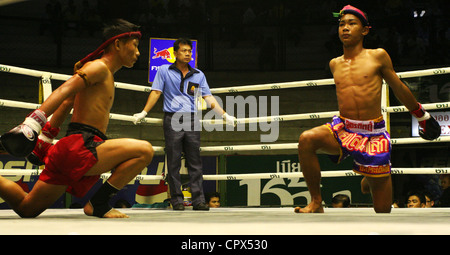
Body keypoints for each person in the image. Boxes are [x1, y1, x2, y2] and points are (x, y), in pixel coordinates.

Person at [0, 19, 153, 218]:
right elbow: (64, 90)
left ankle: (97, 203)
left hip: (73, 150)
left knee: (27, 207)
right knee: (144, 151)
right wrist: (32, 123)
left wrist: (46, 137)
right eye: (135, 46)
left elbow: (67, 103)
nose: (138, 52)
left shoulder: (101, 72)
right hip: (81, 147)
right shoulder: (99, 68)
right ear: (118, 44)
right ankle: (98, 204)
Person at [294, 5, 440, 214]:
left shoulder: (378, 56)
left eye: (352, 24)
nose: (345, 28)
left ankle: (368, 178)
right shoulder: (334, 63)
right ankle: (316, 202)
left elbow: (398, 87)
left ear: (365, 30)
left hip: (373, 134)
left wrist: (422, 115)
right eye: (342, 24)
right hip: (344, 128)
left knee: (382, 211)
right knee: (306, 139)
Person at [133, 38, 236, 211]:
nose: (188, 53)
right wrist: (144, 112)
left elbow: (208, 97)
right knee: (173, 161)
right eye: (184, 50)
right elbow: (156, 92)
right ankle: (177, 200)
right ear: (175, 53)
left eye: (190, 51)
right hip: (172, 117)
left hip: (192, 118)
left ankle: (198, 200)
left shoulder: (198, 74)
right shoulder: (164, 70)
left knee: (195, 161)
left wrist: (224, 115)